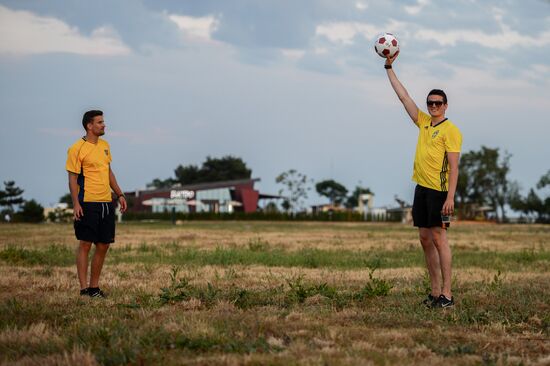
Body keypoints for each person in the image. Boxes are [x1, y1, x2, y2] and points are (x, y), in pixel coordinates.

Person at [384, 54, 462, 308]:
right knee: (425, 239)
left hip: (439, 192)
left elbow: (454, 167)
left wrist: (450, 197)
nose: (433, 106)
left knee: (440, 239)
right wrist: (388, 67)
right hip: (421, 189)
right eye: (430, 103)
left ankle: (448, 295)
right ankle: (435, 292)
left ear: (446, 105)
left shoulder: (451, 130)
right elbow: (403, 96)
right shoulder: (424, 123)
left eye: (438, 103)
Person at [66, 110, 127, 298]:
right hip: (87, 202)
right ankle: (84, 289)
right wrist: (76, 204)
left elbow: (109, 172)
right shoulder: (76, 148)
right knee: (85, 244)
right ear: (89, 126)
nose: (104, 125)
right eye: (100, 122)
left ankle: (94, 288)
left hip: (106, 202)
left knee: (103, 245)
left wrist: (119, 194)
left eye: (103, 121)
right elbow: (72, 178)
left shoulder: (105, 146)